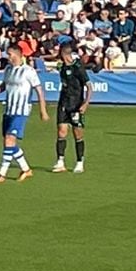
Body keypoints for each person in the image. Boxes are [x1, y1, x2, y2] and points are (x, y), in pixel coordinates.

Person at [0, 41, 47, 182]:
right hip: (8, 110)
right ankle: (26, 169)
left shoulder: (28, 71)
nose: (7, 56)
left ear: (17, 54)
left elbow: (39, 90)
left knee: (9, 139)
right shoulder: (8, 69)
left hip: (21, 111)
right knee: (8, 143)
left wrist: (43, 110)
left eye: (9, 54)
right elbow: (3, 86)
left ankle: (2, 174)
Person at [53, 40, 93, 173]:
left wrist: (85, 103)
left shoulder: (78, 67)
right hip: (63, 103)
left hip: (76, 104)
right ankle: (60, 162)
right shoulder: (62, 67)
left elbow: (89, 86)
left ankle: (80, 162)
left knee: (77, 134)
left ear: (64, 54)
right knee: (61, 132)